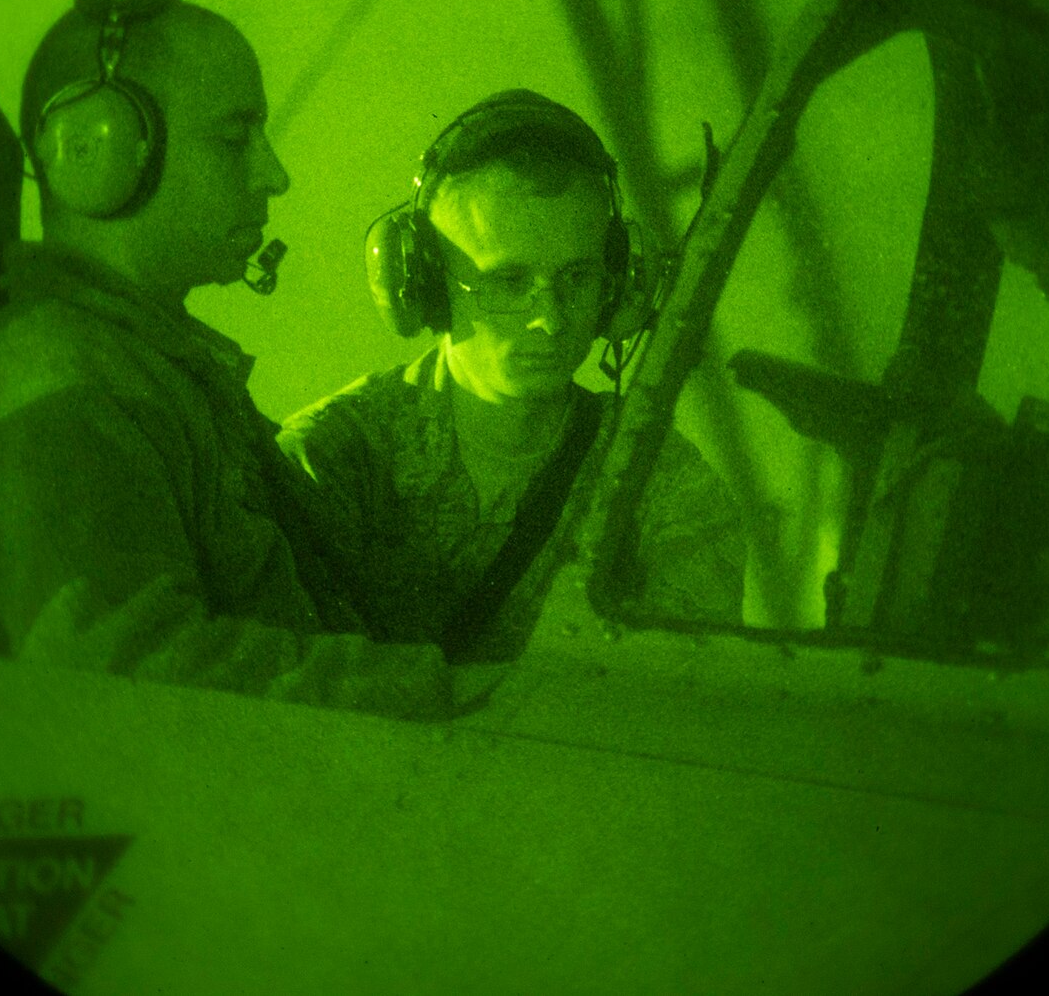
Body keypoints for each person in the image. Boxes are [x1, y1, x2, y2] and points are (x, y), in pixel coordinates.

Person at [0, 0, 491, 719]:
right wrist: (445, 691)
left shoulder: (144, 366)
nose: (272, 173)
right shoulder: (55, 380)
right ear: (100, 153)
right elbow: (120, 672)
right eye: (233, 136)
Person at [278, 90, 748, 664]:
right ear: (425, 284)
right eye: (507, 283)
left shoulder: (656, 477)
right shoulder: (329, 460)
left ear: (618, 280)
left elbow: (687, 694)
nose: (549, 321)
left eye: (576, 278)